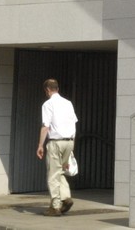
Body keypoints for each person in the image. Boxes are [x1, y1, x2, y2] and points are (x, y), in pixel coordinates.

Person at [36, 78, 77, 216]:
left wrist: (40, 145)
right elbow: (73, 125)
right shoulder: (68, 103)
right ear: (57, 89)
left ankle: (55, 206)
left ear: (47, 90)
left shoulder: (48, 104)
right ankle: (66, 198)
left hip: (56, 142)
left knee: (53, 174)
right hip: (69, 141)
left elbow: (45, 126)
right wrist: (72, 147)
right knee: (60, 171)